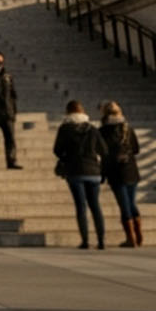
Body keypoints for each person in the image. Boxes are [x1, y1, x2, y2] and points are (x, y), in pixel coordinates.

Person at [53, 100, 107, 250]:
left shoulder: (65, 128)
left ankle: (85, 240)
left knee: (81, 206)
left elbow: (57, 150)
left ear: (68, 112)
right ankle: (101, 240)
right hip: (93, 171)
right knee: (95, 206)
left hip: (75, 170)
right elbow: (103, 149)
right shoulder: (92, 129)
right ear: (82, 112)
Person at [99, 100, 143, 248]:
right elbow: (136, 149)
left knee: (124, 205)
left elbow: (103, 154)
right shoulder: (128, 128)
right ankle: (138, 235)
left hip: (115, 171)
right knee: (131, 202)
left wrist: (103, 173)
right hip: (131, 170)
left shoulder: (103, 131)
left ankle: (131, 238)